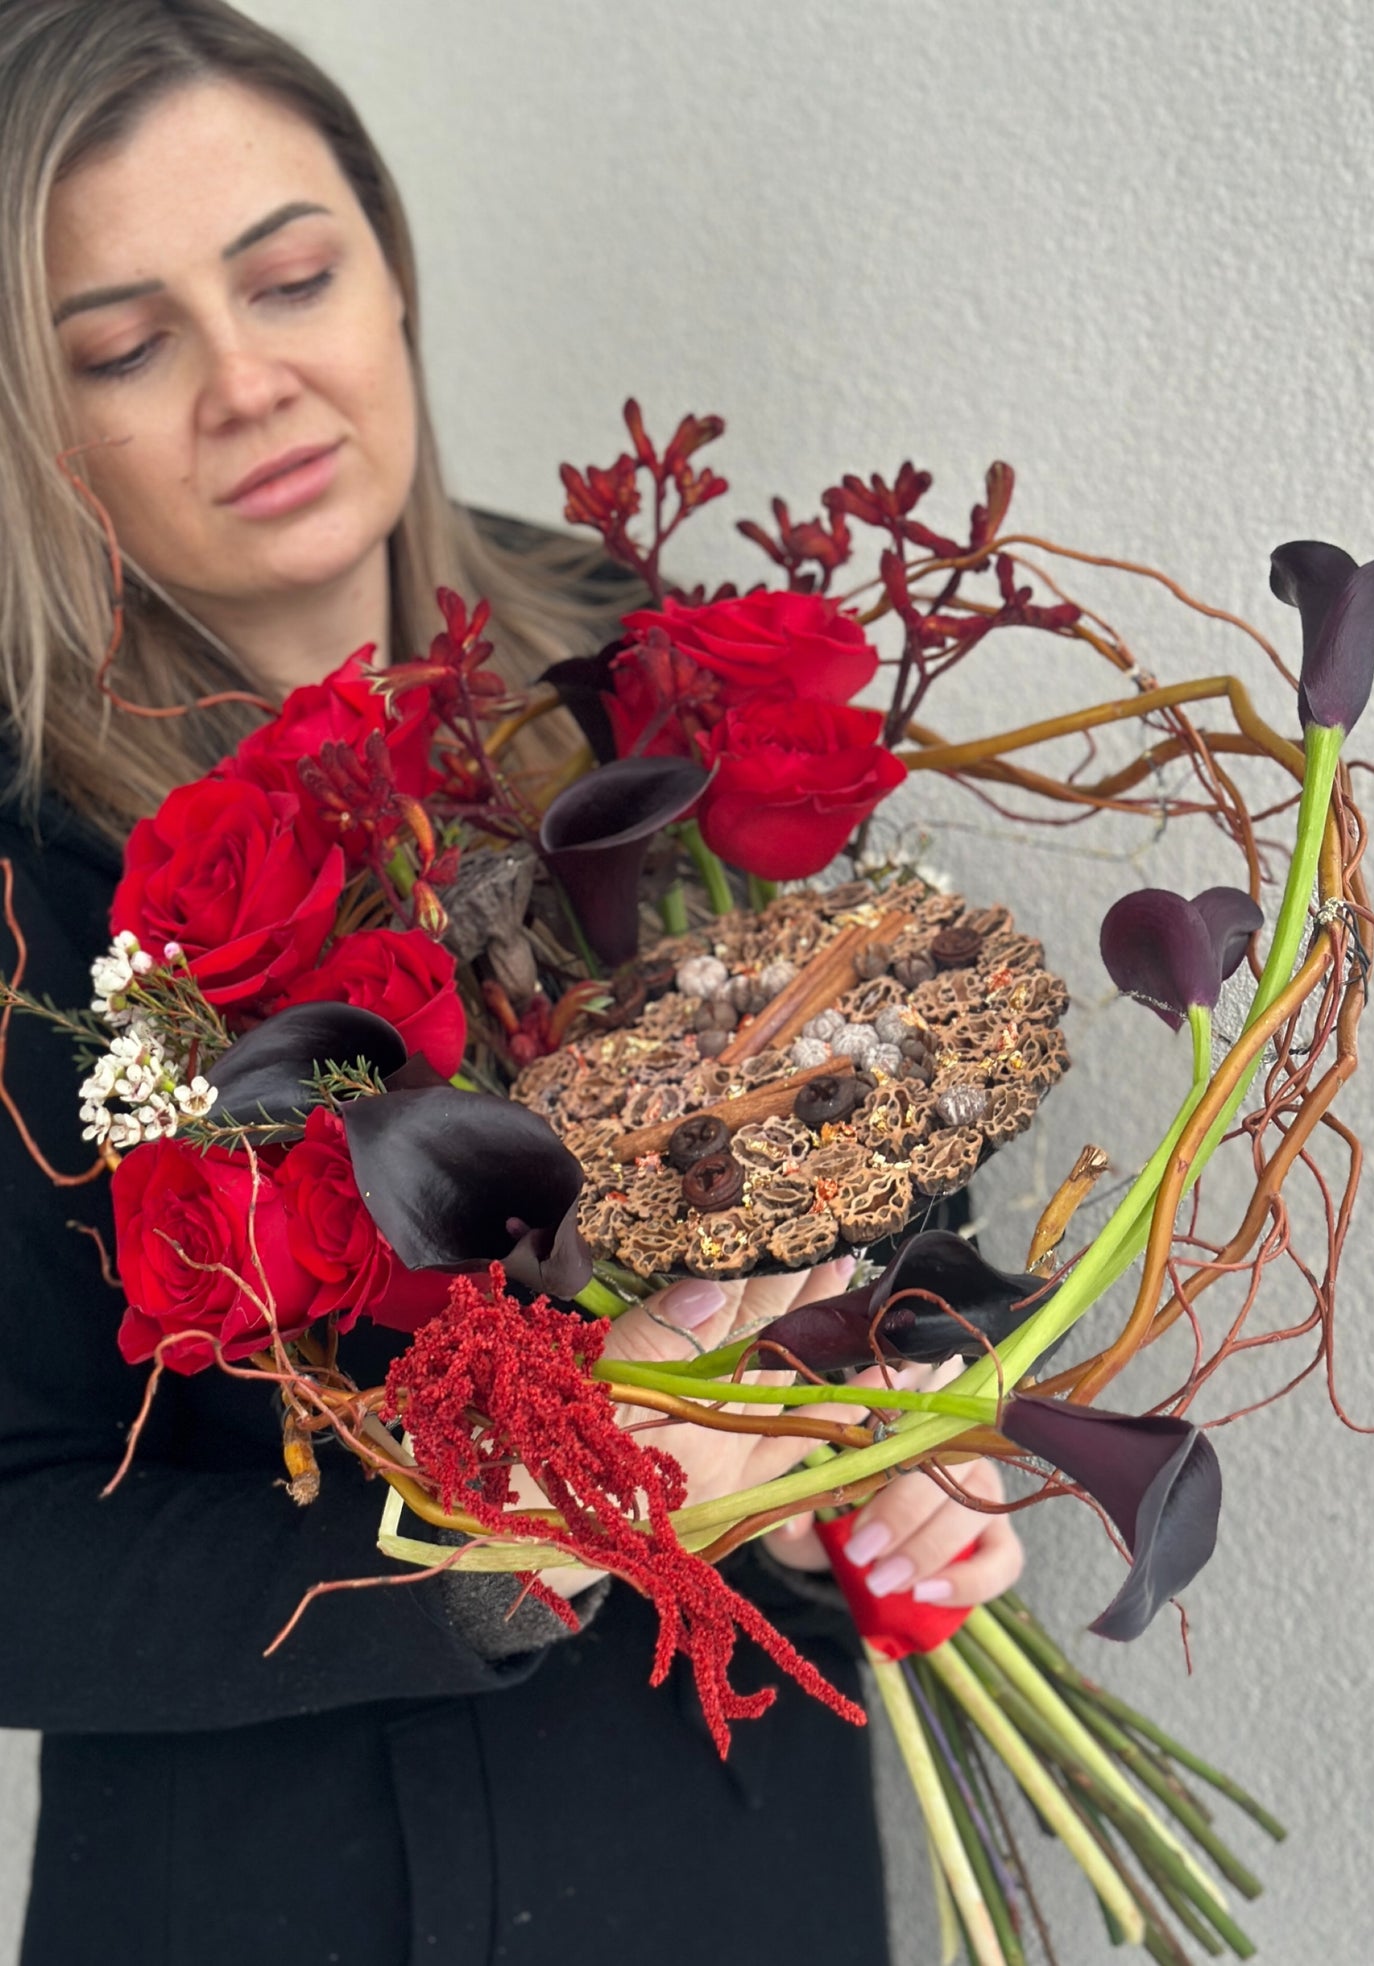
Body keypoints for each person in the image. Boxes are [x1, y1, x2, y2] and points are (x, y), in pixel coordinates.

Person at [0, 4, 1022, 1961]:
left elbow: (899, 1223)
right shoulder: (29, 884)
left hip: (732, 1870)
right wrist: (495, 1526)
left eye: (291, 275)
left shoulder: (658, 691)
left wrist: (895, 1435)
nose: (249, 380)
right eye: (125, 345)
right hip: (265, 1902)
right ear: (37, 424)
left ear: (389, 276)